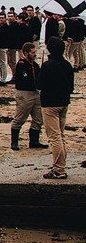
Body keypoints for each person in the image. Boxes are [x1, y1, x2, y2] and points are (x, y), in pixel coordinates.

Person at [37, 36, 73, 179]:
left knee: (54, 137)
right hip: (64, 102)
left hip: (50, 104)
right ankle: (60, 165)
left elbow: (39, 85)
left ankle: (59, 169)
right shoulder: (67, 65)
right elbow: (70, 87)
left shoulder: (48, 65)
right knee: (60, 135)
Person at [11, 42, 48, 151]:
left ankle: (34, 141)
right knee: (20, 118)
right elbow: (25, 79)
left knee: (38, 118)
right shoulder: (21, 65)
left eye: (35, 52)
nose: (34, 54)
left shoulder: (35, 65)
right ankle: (14, 142)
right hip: (24, 93)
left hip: (35, 93)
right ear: (25, 53)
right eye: (32, 52)